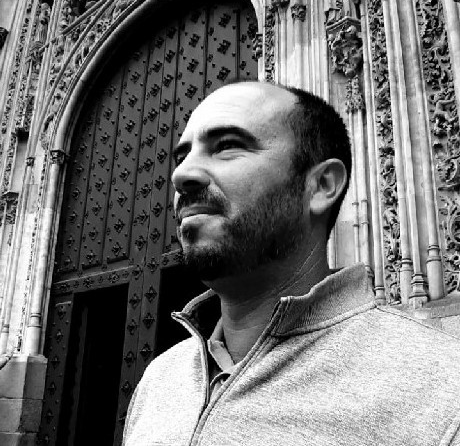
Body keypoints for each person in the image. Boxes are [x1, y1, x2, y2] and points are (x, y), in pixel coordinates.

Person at [123, 81, 460, 446]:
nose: (181, 175)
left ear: (321, 186)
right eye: (182, 156)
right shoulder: (160, 381)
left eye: (227, 146)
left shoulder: (440, 392)